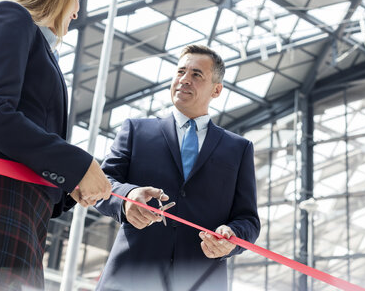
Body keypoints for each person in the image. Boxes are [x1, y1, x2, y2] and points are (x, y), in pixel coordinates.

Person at [0, 0, 111, 289]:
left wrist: (72, 183)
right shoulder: (10, 15)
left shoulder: (33, 41)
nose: (77, 11)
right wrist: (78, 164)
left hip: (17, 199)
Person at [95, 44, 260, 291]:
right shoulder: (136, 131)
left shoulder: (238, 149)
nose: (184, 80)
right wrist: (127, 198)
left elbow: (248, 219)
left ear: (216, 90)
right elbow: (102, 184)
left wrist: (231, 237)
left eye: (196, 75)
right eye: (180, 71)